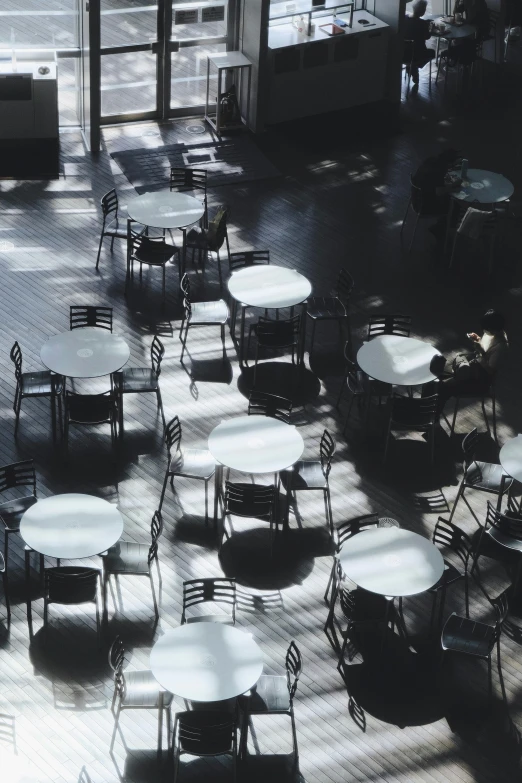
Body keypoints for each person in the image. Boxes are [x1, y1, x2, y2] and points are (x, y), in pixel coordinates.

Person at [442, 310, 509, 399]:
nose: (484, 331)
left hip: (480, 380)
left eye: (486, 329)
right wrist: (478, 340)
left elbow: (490, 371)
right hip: (474, 368)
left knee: (442, 388)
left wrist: (481, 351)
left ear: (492, 329)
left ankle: (455, 376)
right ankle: (456, 374)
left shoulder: (501, 347)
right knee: (459, 359)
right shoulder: (491, 334)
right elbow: (486, 350)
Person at [412, 148, 463, 217]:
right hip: (423, 207)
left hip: (415, 200)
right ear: (449, 163)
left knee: (449, 200)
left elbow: (432, 181)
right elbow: (439, 191)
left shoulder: (431, 160)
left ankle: (442, 224)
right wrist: (454, 186)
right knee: (455, 204)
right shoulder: (440, 169)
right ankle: (446, 225)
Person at [403, 0, 436, 84]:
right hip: (418, 55)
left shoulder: (404, 18)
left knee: (412, 50)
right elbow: (427, 36)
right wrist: (431, 29)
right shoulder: (422, 24)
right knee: (432, 53)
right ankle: (413, 67)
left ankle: (410, 67)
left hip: (402, 54)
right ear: (423, 11)